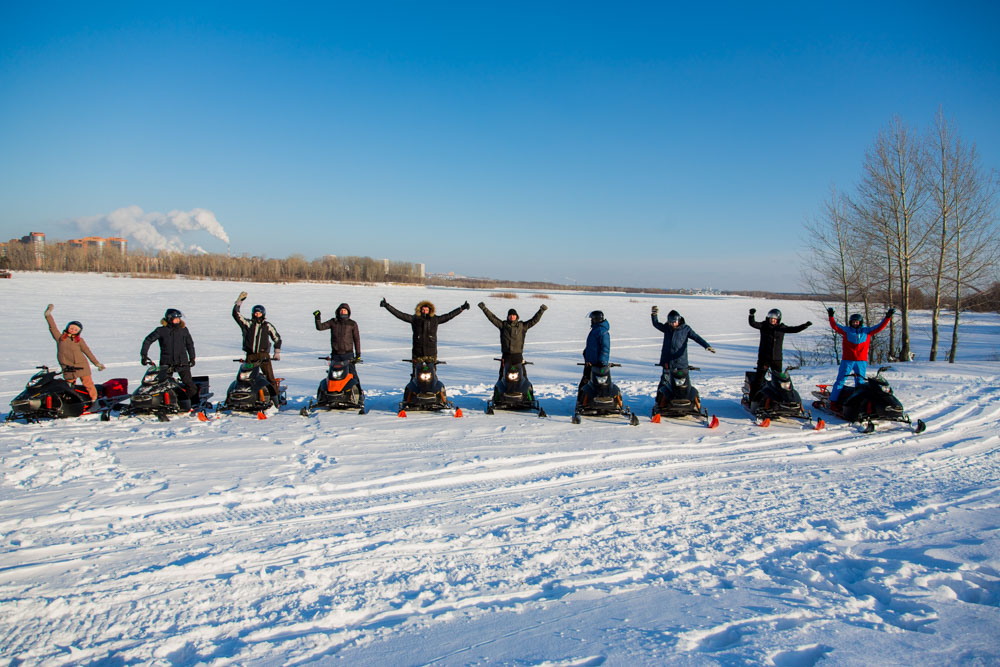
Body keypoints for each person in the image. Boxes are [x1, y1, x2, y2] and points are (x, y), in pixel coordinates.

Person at [826, 307, 894, 411]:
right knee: (840, 381)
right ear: (850, 322)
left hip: (861, 361)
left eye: (857, 322)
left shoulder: (866, 331)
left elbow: (880, 327)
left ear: (860, 322)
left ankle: (859, 403)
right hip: (847, 361)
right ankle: (833, 402)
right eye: (853, 322)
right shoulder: (846, 330)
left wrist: (887, 317)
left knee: (860, 383)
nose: (855, 323)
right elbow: (835, 326)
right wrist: (831, 316)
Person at [44, 303, 105, 401]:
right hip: (67, 367)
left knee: (88, 383)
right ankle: (73, 402)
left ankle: (94, 401)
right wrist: (48, 315)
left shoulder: (79, 340)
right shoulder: (60, 338)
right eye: (71, 328)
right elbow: (53, 328)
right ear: (68, 327)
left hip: (81, 366)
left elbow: (87, 352)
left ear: (78, 332)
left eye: (75, 329)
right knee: (68, 386)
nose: (73, 330)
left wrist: (97, 363)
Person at [380, 298, 469, 364]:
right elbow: (400, 315)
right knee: (415, 375)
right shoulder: (414, 319)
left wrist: (461, 308)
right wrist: (387, 306)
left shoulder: (435, 319)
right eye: (423, 309)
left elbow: (449, 315)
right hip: (417, 353)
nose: (425, 311)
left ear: (430, 310)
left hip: (431, 353)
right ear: (420, 310)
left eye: (426, 309)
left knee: (432, 375)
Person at [747, 307, 812, 397]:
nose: (772, 320)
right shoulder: (764, 326)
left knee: (779, 380)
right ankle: (752, 399)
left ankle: (778, 399)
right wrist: (751, 315)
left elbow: (794, 329)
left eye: (774, 319)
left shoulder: (781, 328)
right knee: (759, 379)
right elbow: (753, 323)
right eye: (771, 318)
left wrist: (804, 326)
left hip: (777, 359)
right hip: (764, 358)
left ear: (778, 319)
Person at [140, 307, 199, 404]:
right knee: (162, 386)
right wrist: (144, 355)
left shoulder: (183, 330)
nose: (178, 320)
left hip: (182, 362)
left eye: (179, 318)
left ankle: (192, 403)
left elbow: (190, 344)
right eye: (176, 318)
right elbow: (148, 341)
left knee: (190, 385)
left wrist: (192, 357)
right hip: (166, 363)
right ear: (169, 318)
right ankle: (164, 403)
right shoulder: (161, 330)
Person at [233, 292, 283, 396]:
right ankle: (247, 396)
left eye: (259, 313)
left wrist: (277, 352)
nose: (257, 315)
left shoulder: (267, 326)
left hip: (263, 356)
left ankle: (275, 398)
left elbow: (277, 339)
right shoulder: (248, 324)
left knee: (269, 377)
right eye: (255, 313)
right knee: (246, 377)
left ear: (263, 314)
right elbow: (236, 315)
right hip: (250, 355)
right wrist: (239, 302)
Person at [479, 301, 547, 376]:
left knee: (523, 375)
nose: (512, 317)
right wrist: (484, 308)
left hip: (517, 355)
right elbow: (492, 318)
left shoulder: (522, 326)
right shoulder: (503, 325)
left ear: (517, 316)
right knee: (502, 375)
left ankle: (526, 388)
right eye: (510, 315)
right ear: (508, 317)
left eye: (514, 315)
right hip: (506, 355)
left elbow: (534, 320)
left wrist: (541, 311)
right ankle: (498, 388)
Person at [650, 306, 716, 370]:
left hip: (680, 361)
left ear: (678, 320)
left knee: (682, 378)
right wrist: (654, 315)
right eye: (670, 322)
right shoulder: (667, 328)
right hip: (667, 360)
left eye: (674, 322)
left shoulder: (686, 329)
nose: (673, 324)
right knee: (666, 379)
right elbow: (656, 324)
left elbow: (697, 338)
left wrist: (707, 346)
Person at [580, 310, 611, 388]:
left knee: (591, 386)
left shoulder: (601, 331)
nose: (591, 321)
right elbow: (592, 345)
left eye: (592, 319)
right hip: (590, 363)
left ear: (596, 319)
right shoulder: (595, 330)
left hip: (596, 365)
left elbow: (605, 348)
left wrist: (602, 362)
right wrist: (586, 352)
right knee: (584, 385)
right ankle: (581, 400)